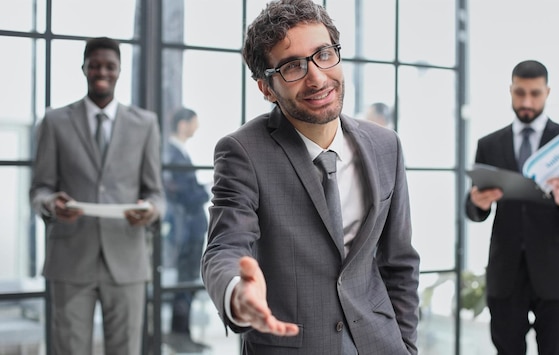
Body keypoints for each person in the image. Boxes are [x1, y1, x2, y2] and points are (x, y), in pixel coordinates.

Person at [200, 0, 420, 354]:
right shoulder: (243, 152)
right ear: (267, 89)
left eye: (323, 54)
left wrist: (407, 345)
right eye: (292, 67)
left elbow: (399, 262)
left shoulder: (385, 146)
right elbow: (224, 248)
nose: (317, 77)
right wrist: (237, 294)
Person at [29, 37, 164, 355]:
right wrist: (51, 204)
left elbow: (156, 193)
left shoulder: (145, 124)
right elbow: (39, 189)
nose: (102, 71)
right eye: (95, 65)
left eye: (109, 66)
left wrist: (151, 210)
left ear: (119, 70)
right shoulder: (55, 121)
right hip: (71, 260)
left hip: (127, 258)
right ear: (84, 69)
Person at [465, 59, 559, 355]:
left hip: (556, 275)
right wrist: (477, 203)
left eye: (535, 93)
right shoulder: (489, 144)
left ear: (547, 92)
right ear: (511, 91)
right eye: (520, 93)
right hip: (506, 275)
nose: (526, 101)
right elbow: (473, 208)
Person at [162, 107, 210, 351]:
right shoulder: (173, 155)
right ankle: (179, 335)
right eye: (194, 123)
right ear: (183, 124)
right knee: (185, 282)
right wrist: (206, 190)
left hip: (188, 230)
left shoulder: (178, 153)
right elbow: (183, 193)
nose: (197, 128)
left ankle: (184, 334)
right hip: (185, 231)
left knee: (188, 281)